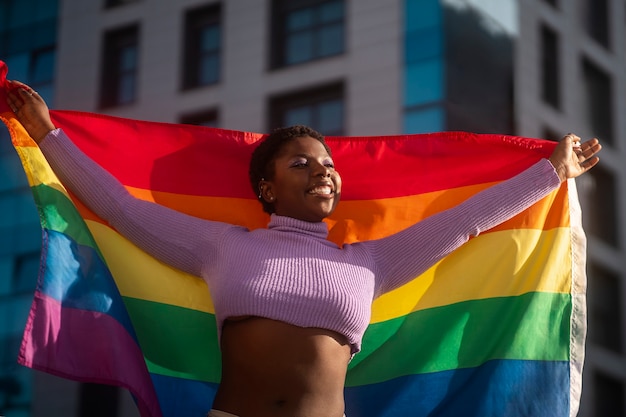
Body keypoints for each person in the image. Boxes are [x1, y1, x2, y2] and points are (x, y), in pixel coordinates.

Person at [6, 80, 601, 417]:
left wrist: (551, 174)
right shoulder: (222, 245)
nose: (325, 174)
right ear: (266, 187)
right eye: (302, 163)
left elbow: (465, 223)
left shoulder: (368, 263)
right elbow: (117, 207)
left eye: (330, 166)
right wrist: (46, 134)